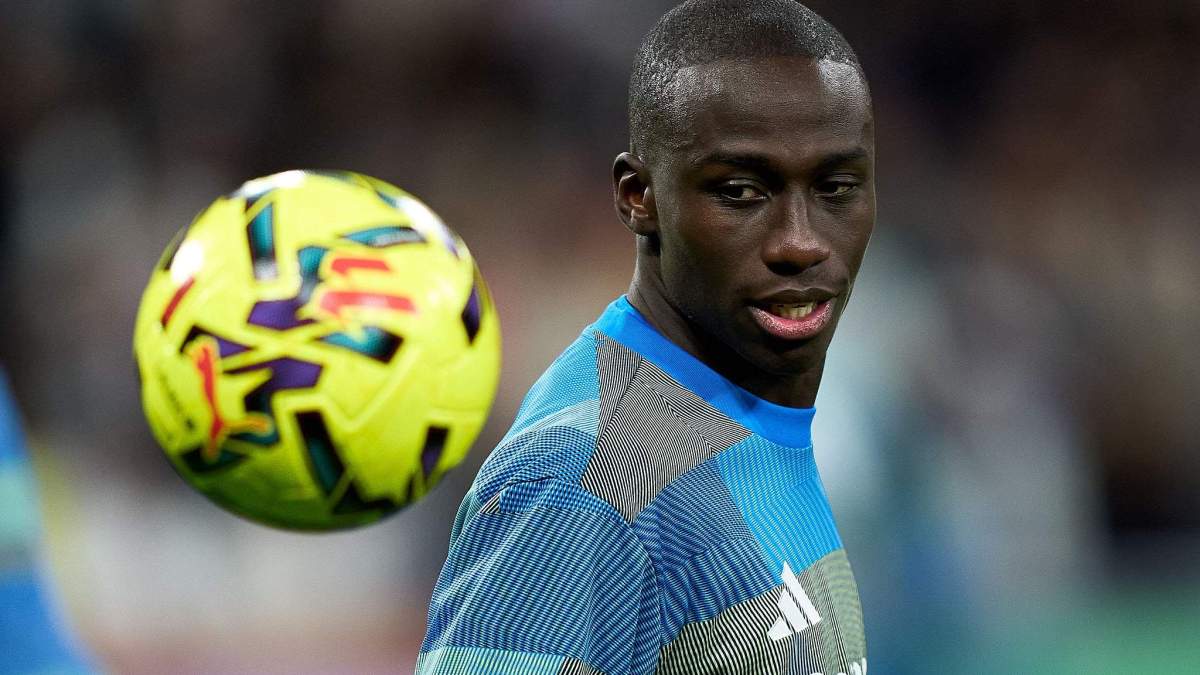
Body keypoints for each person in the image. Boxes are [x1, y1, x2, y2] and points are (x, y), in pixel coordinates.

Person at [418, 1, 874, 673]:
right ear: (639, 195)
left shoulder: (748, 417)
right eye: (742, 191)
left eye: (836, 186)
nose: (800, 242)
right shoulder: (587, 480)